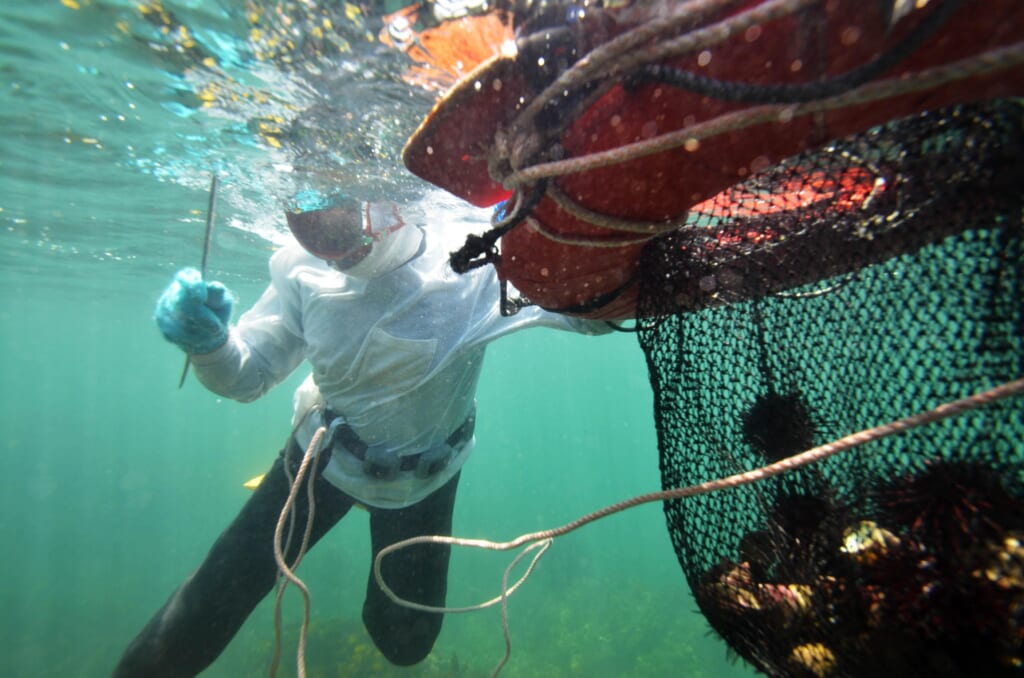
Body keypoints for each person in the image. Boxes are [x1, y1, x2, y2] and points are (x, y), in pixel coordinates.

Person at [113, 196, 609, 677]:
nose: (331, 253)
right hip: (324, 454)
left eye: (339, 229)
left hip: (421, 477)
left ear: (390, 206)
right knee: (202, 612)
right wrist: (210, 345)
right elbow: (249, 376)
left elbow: (588, 315)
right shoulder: (299, 266)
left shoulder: (470, 261)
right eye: (306, 225)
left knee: (406, 643)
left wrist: (609, 252)